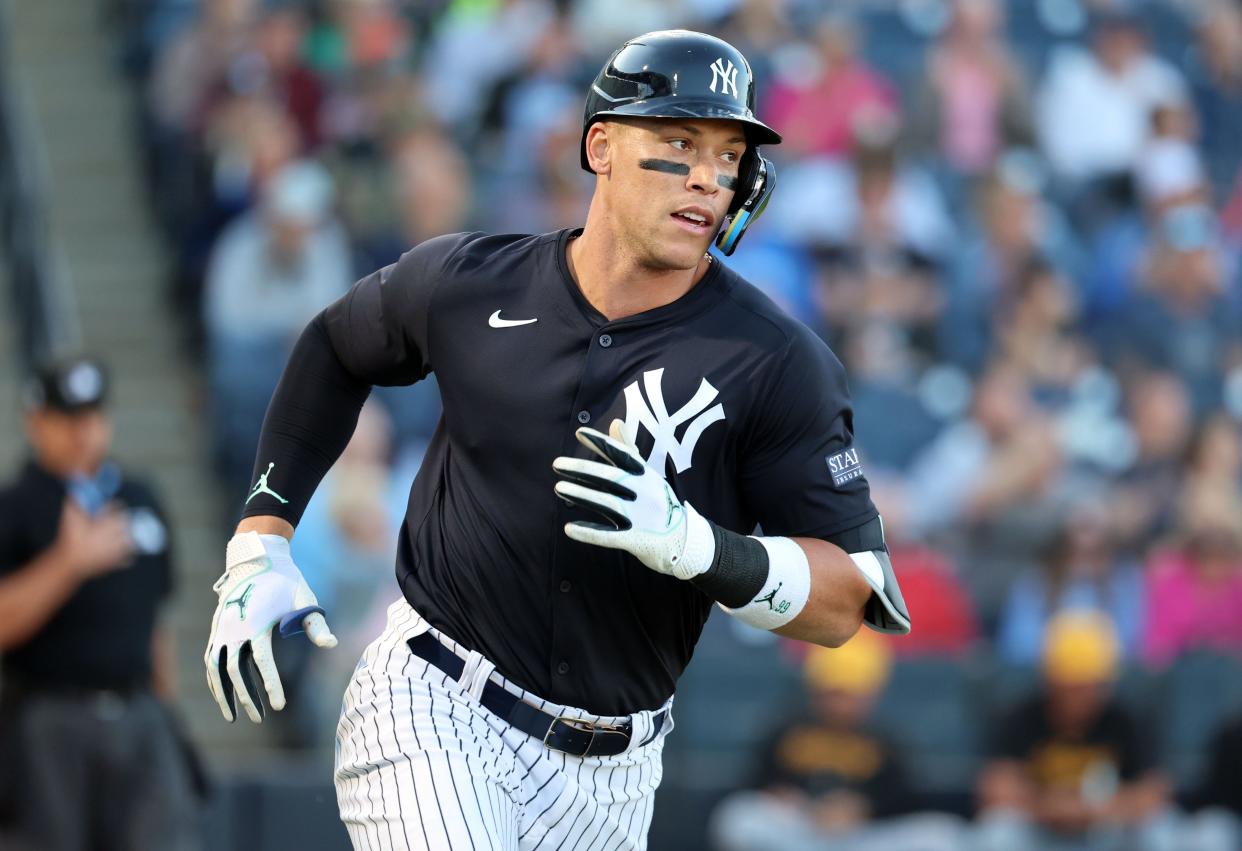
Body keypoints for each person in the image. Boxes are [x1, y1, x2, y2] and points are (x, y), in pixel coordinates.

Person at [203, 29, 911, 849]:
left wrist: (699, 547)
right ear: (602, 146)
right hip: (437, 700)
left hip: (616, 771)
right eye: (679, 142)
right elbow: (335, 344)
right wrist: (262, 537)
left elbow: (846, 599)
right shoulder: (473, 281)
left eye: (727, 154)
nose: (707, 178)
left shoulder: (777, 361)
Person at [0, 356, 200, 850]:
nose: (82, 432)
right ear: (36, 421)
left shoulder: (139, 498)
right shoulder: (16, 506)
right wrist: (68, 563)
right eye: (67, 418)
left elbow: (156, 624)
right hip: (48, 721)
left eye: (92, 416)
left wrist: (166, 711)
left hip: (138, 712)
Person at [711, 631, 964, 851]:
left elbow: (907, 800)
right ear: (815, 689)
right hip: (801, 832)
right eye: (834, 694)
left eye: (851, 696)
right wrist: (781, 799)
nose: (841, 705)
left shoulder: (883, 738)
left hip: (861, 839)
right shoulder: (789, 728)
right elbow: (752, 782)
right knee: (738, 818)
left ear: (870, 695)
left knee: (942, 835)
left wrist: (863, 808)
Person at [976, 610, 1173, 851]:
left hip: (1107, 829)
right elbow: (995, 787)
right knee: (999, 830)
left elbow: (1155, 792)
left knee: (1161, 830)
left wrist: (1093, 809)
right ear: (1050, 681)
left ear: (1105, 685)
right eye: (1070, 687)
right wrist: (1048, 805)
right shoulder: (1022, 716)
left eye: (1088, 687)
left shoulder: (1125, 720)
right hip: (1040, 829)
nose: (1079, 698)